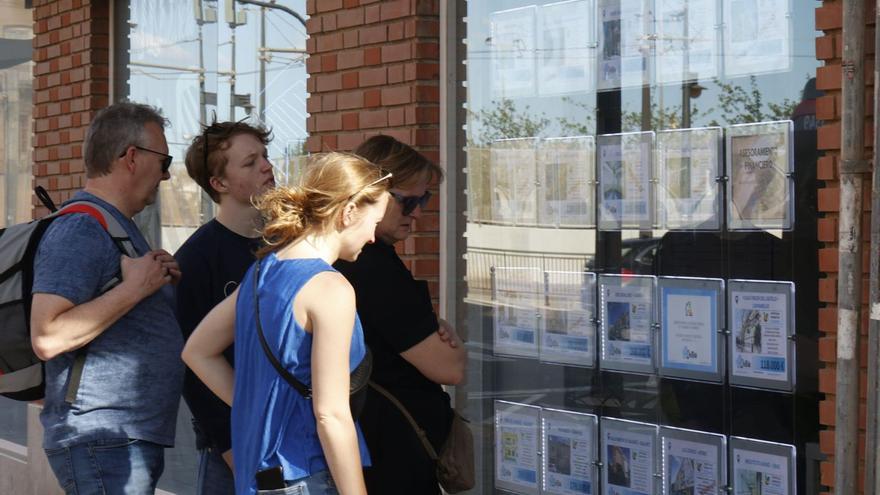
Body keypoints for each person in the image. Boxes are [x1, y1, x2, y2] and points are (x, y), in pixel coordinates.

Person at [182, 152, 391, 495]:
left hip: (260, 479)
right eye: (374, 222)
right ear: (349, 212)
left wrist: (257, 406)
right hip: (306, 476)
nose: (372, 237)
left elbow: (197, 351)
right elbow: (331, 416)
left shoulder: (261, 273)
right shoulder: (330, 288)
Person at [30, 101, 184, 494]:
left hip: (119, 439)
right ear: (132, 157)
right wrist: (136, 289)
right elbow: (47, 336)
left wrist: (155, 284)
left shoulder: (116, 227)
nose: (166, 175)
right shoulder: (82, 227)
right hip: (101, 440)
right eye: (163, 161)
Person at [335, 135, 467, 494]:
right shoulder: (373, 268)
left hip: (382, 450)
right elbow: (449, 368)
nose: (419, 212)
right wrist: (446, 333)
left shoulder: (360, 260)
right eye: (409, 201)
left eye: (424, 199)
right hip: (390, 457)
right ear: (372, 196)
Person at [174, 119, 276, 494]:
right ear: (219, 184)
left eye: (264, 156)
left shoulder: (287, 243)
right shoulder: (196, 259)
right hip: (230, 447)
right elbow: (192, 368)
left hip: (290, 432)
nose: (267, 165)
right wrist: (230, 445)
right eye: (250, 163)